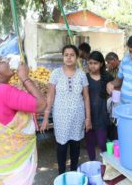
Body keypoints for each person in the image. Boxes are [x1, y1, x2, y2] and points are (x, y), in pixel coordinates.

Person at [0, 52, 46, 184]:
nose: (7, 61)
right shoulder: (3, 91)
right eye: (1, 61)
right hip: (15, 164)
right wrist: (25, 78)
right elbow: (41, 105)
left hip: (1, 162)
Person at [40, 45, 91, 174]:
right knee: (61, 146)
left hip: (77, 116)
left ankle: (74, 173)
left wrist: (88, 118)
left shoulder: (81, 75)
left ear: (77, 57)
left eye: (72, 55)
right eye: (66, 55)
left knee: (75, 146)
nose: (69, 57)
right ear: (63, 57)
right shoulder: (55, 73)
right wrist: (45, 118)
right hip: (60, 116)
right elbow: (50, 96)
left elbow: (86, 97)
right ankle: (61, 174)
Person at [86, 51, 114, 160]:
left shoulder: (107, 77)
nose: (92, 66)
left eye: (95, 63)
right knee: (90, 142)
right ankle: (92, 163)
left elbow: (115, 91)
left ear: (101, 64)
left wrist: (111, 87)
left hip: (102, 115)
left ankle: (106, 165)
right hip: (88, 115)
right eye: (90, 63)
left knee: (102, 143)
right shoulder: (85, 78)